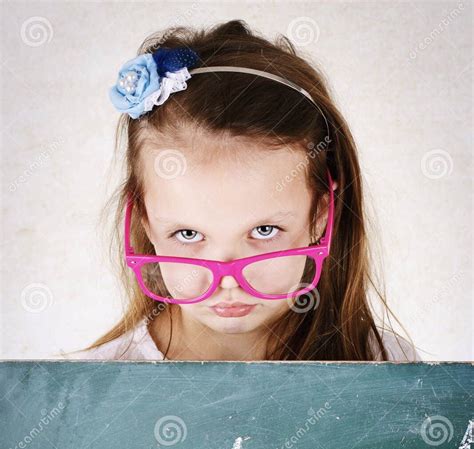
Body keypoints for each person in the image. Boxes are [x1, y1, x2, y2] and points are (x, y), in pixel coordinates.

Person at [61, 20, 420, 362]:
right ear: (145, 221)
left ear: (320, 215)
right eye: (187, 234)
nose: (229, 279)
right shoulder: (87, 393)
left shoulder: (387, 369)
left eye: (264, 231)